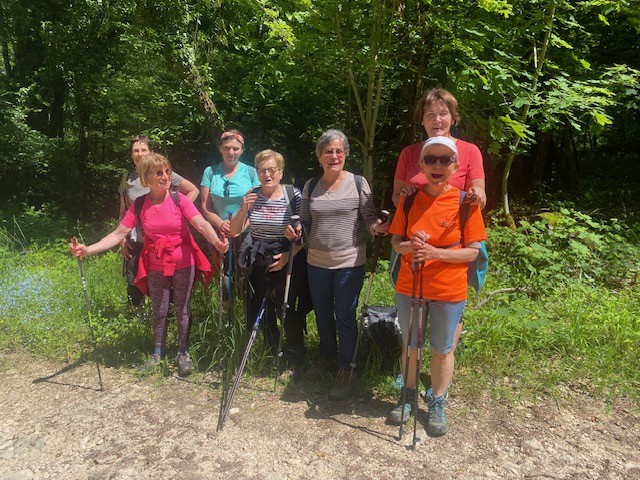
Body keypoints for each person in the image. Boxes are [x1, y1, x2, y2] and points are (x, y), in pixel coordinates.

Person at [72, 153, 229, 377]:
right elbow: (119, 234)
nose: (166, 176)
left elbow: (201, 223)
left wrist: (217, 242)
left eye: (167, 171)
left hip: (183, 262)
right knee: (159, 309)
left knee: (182, 309)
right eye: (159, 173)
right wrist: (88, 249)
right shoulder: (138, 205)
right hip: (155, 264)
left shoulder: (179, 199)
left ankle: (183, 352)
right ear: (146, 177)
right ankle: (157, 353)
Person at [388, 136, 486, 436]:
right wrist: (411, 245)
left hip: (449, 290)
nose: (438, 165)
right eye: (431, 160)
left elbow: (473, 251)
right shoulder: (409, 198)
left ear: (455, 167)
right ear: (421, 165)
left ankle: (437, 401)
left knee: (442, 350)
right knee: (411, 346)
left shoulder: (464, 203)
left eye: (445, 160)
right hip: (410, 286)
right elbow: (395, 242)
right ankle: (408, 394)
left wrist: (435, 253)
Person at [292, 129, 389, 400]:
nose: (334, 156)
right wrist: (296, 231)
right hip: (316, 262)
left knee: (345, 316)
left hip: (349, 262)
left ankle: (347, 367)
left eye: (339, 151)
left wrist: (376, 227)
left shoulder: (358, 183)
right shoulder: (311, 186)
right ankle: (327, 357)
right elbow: (304, 222)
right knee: (322, 314)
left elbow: (369, 217)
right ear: (319, 156)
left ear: (345, 154)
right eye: (328, 151)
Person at [230, 149, 310, 378]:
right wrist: (244, 207)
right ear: (257, 173)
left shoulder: (292, 194)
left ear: (280, 172)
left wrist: (288, 256)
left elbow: (305, 233)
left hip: (287, 256)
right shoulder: (252, 195)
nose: (267, 174)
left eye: (271, 170)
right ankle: (274, 350)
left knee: (285, 308)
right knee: (260, 308)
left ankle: (296, 356)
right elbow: (235, 231)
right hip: (258, 257)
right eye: (262, 170)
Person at [119, 135, 199, 308]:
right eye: (136, 151)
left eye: (143, 150)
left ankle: (166, 315)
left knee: (165, 279)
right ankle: (137, 315)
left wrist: (180, 212)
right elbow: (123, 210)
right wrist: (121, 238)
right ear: (131, 155)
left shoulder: (163, 173)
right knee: (133, 278)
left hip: (161, 239)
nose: (140, 154)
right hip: (136, 238)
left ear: (150, 152)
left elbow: (193, 190)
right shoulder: (127, 179)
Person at [392, 88, 486, 210]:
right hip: (415, 226)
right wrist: (406, 197)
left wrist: (478, 195)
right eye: (430, 114)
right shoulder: (408, 153)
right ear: (422, 120)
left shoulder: (471, 151)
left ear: (453, 119)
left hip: (452, 226)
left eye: (443, 114)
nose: (437, 120)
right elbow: (395, 197)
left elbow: (480, 203)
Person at [200, 130, 260, 237]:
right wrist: (221, 224)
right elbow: (206, 207)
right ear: (220, 149)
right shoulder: (209, 172)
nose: (231, 152)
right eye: (226, 148)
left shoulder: (252, 173)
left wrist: (239, 229)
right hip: (218, 232)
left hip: (246, 233)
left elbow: (258, 207)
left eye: (236, 149)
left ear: (242, 150)